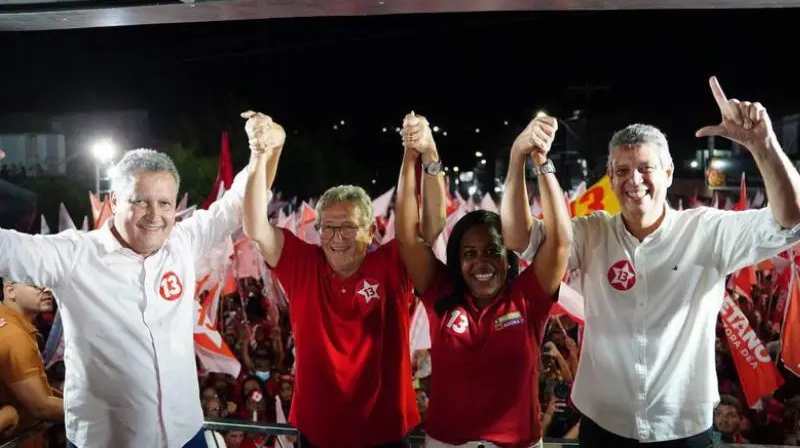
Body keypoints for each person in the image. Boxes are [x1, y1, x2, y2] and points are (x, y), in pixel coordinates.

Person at [501, 76, 800, 448]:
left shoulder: (708, 231)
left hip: (683, 428)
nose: (634, 180)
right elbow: (519, 239)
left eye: (645, 168)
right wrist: (517, 159)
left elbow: (790, 220)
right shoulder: (592, 232)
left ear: (669, 172)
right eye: (622, 171)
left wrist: (764, 145)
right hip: (603, 425)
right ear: (610, 178)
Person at [0, 113, 285, 448]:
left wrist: (267, 149)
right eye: (140, 201)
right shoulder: (72, 255)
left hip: (186, 434)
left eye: (165, 203)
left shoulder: (182, 241)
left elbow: (242, 201)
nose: (154, 215)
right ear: (116, 200)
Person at [242, 111, 444, 448]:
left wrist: (430, 153)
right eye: (328, 227)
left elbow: (433, 223)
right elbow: (255, 227)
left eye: (348, 226)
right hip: (317, 433)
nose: (337, 237)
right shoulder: (301, 263)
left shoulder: (394, 262)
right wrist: (260, 155)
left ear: (370, 229)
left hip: (385, 432)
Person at [395, 113, 572, 448]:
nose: (481, 263)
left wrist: (534, 159)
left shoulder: (527, 297)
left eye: (492, 250)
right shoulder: (440, 292)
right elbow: (407, 236)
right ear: (456, 261)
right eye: (469, 253)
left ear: (508, 256)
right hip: (446, 442)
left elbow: (561, 240)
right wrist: (413, 155)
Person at [0, 280, 63, 448]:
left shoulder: (10, 322)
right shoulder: (14, 336)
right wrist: (96, 411)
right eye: (36, 285)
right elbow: (41, 407)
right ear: (11, 291)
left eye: (48, 283)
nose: (47, 289)